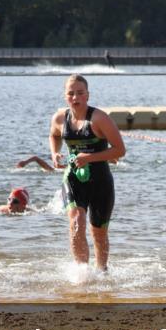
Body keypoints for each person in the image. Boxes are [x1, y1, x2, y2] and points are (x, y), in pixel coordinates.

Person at [49, 74, 126, 272]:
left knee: (98, 233)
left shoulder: (100, 119)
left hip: (100, 180)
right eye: (71, 94)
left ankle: (102, 271)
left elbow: (119, 151)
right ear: (65, 96)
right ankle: (81, 272)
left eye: (80, 93)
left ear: (87, 95)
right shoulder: (59, 118)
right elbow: (54, 135)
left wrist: (88, 157)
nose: (75, 98)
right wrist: (55, 153)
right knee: (76, 220)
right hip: (74, 178)